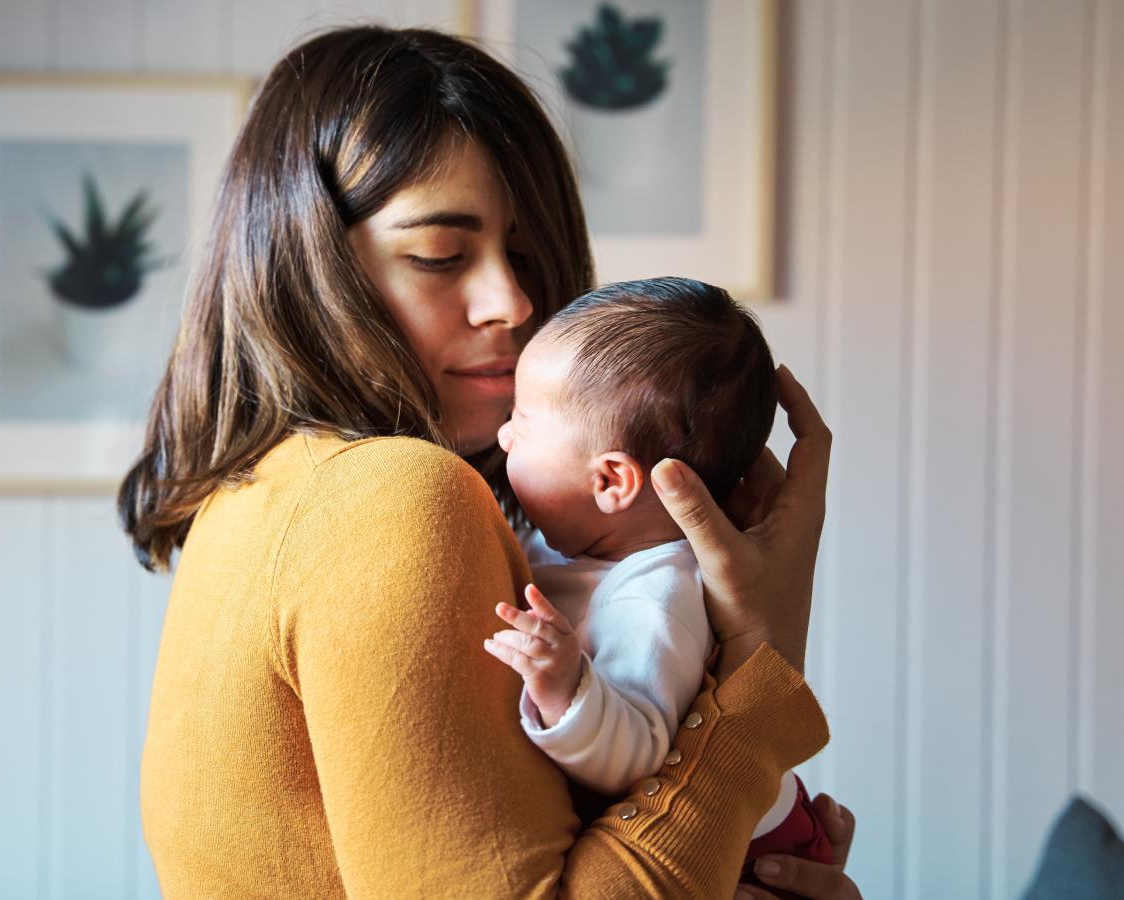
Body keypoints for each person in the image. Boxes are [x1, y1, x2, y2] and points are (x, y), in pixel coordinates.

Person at [118, 24, 861, 899]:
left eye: (529, 254)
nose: (513, 301)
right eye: (440, 254)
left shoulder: (261, 495)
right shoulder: (387, 497)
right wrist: (759, 672)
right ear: (309, 268)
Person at [486, 278, 834, 894]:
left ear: (612, 482)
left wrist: (568, 688)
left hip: (749, 851)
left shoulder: (654, 598)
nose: (504, 435)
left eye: (522, 420)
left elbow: (641, 753)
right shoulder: (578, 546)